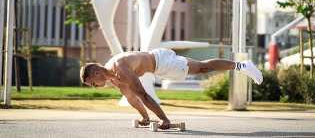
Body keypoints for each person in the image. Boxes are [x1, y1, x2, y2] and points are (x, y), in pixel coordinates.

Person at [80, 48, 263, 129]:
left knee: (203, 68)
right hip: (160, 66)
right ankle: (241, 66)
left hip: (162, 62)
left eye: (92, 83)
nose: (95, 87)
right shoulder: (115, 79)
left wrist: (164, 119)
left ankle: (241, 65)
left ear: (96, 74)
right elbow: (131, 97)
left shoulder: (119, 69)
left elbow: (143, 95)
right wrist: (145, 117)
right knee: (201, 67)